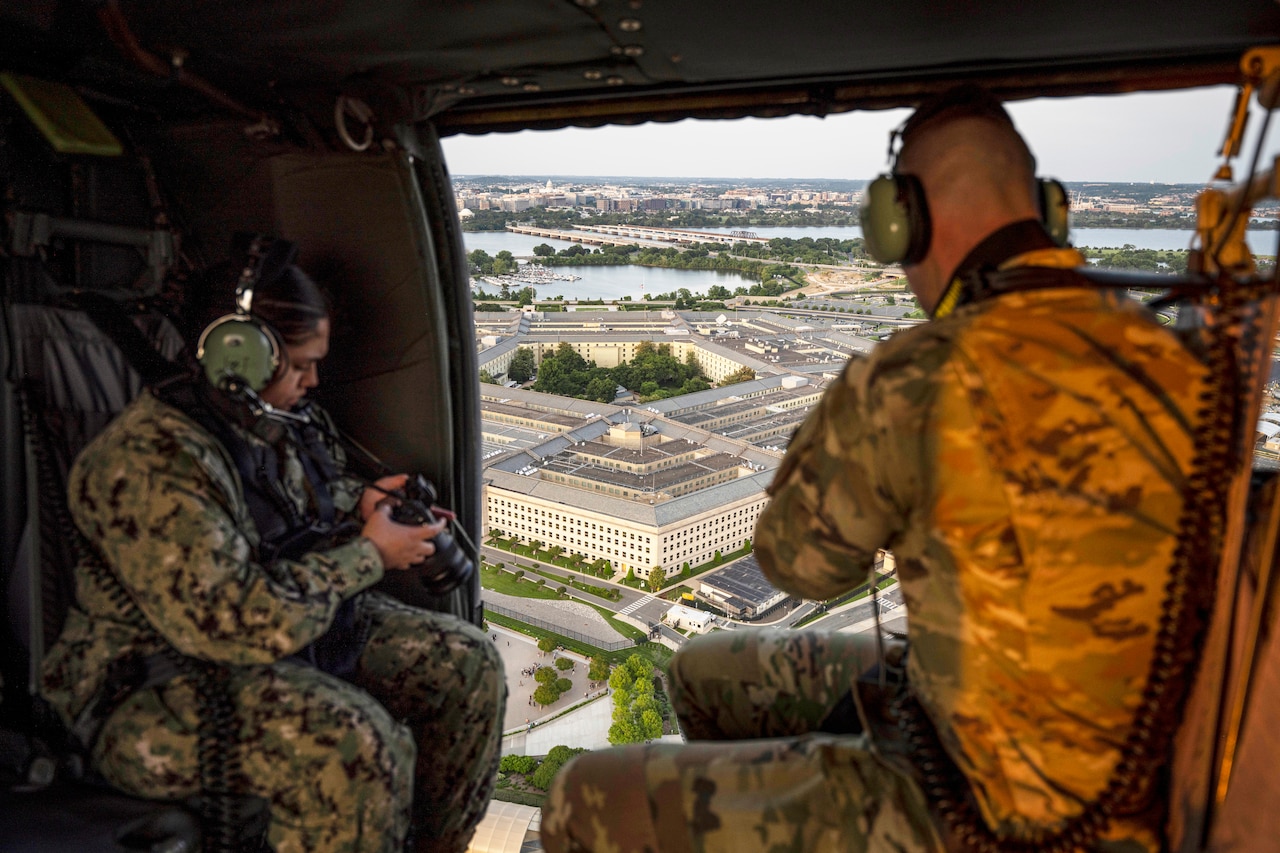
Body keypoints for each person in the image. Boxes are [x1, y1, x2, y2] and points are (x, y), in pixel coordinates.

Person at [541, 86, 1206, 851]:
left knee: (583, 798)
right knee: (702, 664)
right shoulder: (1179, 357)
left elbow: (797, 564)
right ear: (1049, 213)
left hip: (990, 801)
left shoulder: (914, 377)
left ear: (903, 223)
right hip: (1161, 753)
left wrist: (845, 431)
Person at [40, 248, 506, 852]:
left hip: (274, 640)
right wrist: (369, 554)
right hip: (145, 689)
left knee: (469, 664)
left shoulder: (263, 424)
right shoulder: (151, 461)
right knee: (356, 746)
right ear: (241, 354)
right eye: (301, 366)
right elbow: (232, 622)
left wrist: (359, 504)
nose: (313, 382)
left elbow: (290, 501)